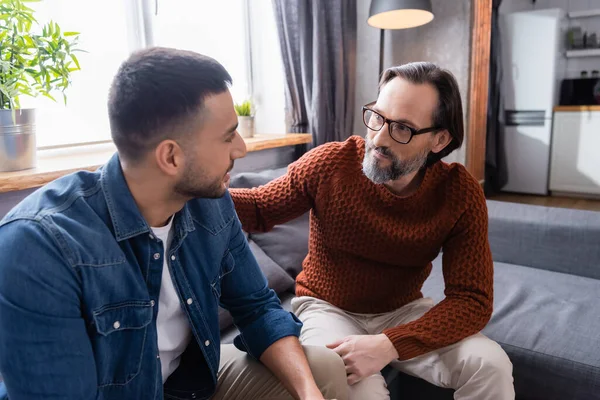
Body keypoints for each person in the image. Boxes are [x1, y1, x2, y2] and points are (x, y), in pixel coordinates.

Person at [0, 47, 348, 400]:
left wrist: (308, 394)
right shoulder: (37, 247)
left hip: (188, 383)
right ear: (170, 156)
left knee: (325, 371)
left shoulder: (211, 205)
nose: (241, 149)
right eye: (228, 136)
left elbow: (257, 307)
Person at [230, 62, 515, 400]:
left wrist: (390, 344)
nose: (378, 138)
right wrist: (195, 186)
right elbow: (259, 208)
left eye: (402, 129)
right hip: (326, 307)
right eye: (377, 117)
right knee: (362, 393)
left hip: (403, 312)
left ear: (439, 139)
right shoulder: (330, 164)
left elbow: (472, 301)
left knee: (492, 366)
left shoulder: (459, 193)